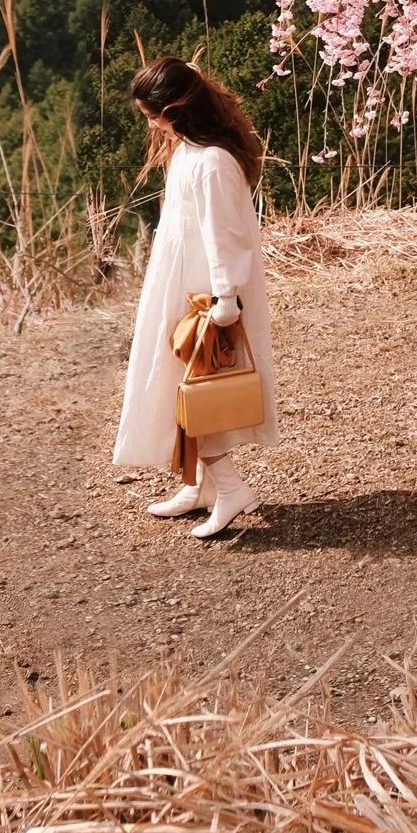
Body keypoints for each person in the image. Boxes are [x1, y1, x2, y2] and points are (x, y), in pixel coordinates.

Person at [113, 56, 280, 537]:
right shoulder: (188, 151)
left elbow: (225, 235)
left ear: (176, 108)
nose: (149, 123)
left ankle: (230, 489)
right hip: (180, 283)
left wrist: (226, 297)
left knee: (198, 391)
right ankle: (203, 484)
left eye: (152, 114)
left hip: (204, 294)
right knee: (178, 387)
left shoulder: (212, 163)